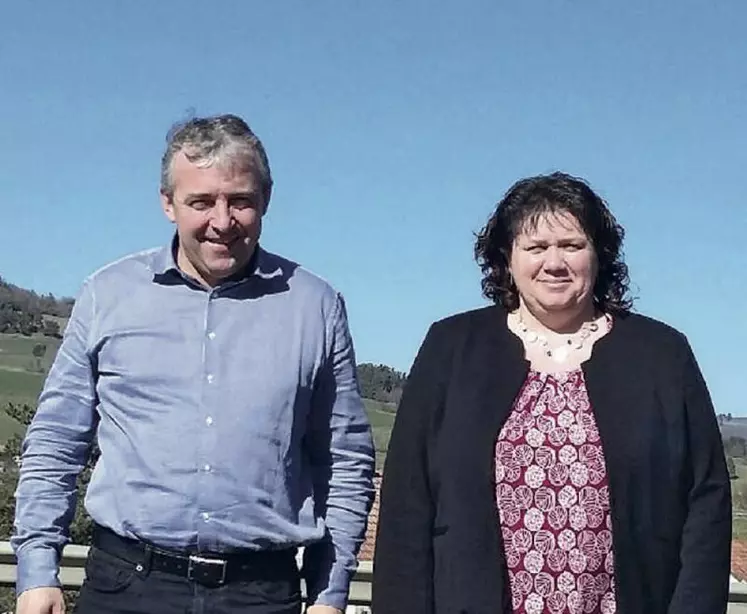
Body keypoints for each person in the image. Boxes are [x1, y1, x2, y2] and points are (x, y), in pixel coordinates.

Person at [12, 114, 375, 614]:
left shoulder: (315, 306)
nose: (221, 222)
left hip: (262, 594)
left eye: (240, 201)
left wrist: (330, 593)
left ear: (265, 201)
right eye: (201, 201)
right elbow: (56, 442)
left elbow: (344, 460)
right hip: (127, 587)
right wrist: (36, 570)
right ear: (168, 204)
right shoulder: (108, 295)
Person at [372, 172, 731, 614]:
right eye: (536, 247)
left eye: (572, 246)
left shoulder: (662, 355)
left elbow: (706, 502)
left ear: (599, 255)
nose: (554, 262)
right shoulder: (451, 348)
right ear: (507, 258)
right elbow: (407, 505)